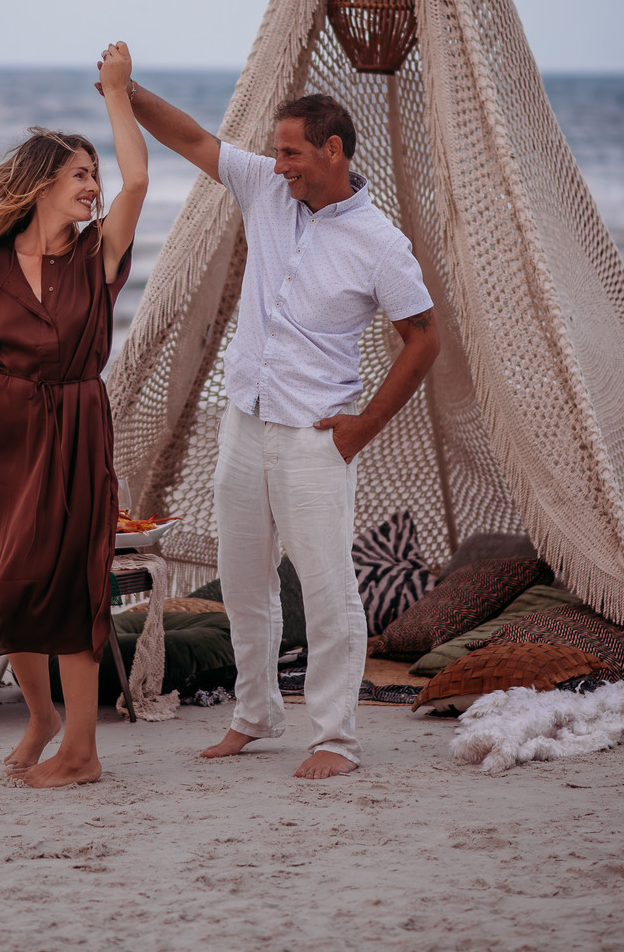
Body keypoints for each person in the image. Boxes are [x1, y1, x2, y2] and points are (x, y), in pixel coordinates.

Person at [119, 74, 439, 779]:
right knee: (242, 581)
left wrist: (362, 427)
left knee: (326, 590)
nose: (279, 164)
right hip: (245, 419)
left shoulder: (381, 243)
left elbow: (424, 337)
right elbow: (195, 140)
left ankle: (336, 739)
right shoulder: (267, 188)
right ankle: (256, 716)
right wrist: (127, 90)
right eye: (276, 152)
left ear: (332, 151)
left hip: (315, 437)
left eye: (291, 153)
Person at [0, 43, 147, 789]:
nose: (95, 185)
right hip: (13, 437)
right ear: (43, 183)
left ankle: (81, 753)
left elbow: (139, 177)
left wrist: (116, 92)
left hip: (79, 426)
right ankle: (42, 718)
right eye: (81, 174)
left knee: (74, 583)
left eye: (94, 174)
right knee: (10, 579)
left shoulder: (98, 256)